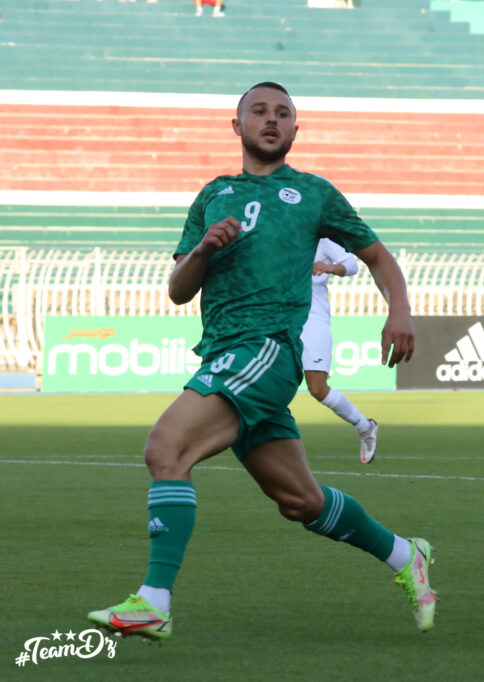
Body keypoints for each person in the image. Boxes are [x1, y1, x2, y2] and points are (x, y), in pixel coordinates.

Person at [86, 82, 438, 640]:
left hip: (267, 350)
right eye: (259, 111)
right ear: (237, 126)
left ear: (296, 129)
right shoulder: (213, 194)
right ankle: (405, 555)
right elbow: (179, 290)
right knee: (301, 501)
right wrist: (204, 250)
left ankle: (154, 600)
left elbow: (377, 257)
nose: (271, 119)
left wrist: (400, 310)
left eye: (283, 113)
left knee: (166, 447)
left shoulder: (314, 193)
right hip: (226, 353)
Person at [300, 239, 379, 464]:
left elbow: (351, 264)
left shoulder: (323, 239)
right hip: (282, 319)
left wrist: (329, 267)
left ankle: (365, 427)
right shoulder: (281, 232)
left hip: (313, 320)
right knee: (272, 381)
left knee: (317, 388)